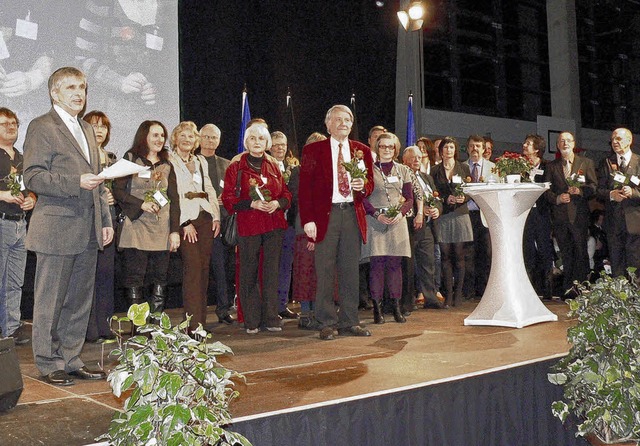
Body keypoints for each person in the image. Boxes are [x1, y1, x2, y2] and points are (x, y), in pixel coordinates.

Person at [23, 67, 113, 386]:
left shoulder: (87, 128)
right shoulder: (41, 126)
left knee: (78, 300)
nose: (79, 93)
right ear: (54, 93)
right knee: (51, 300)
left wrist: (103, 221)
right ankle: (49, 363)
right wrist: (75, 182)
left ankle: (71, 358)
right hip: (56, 229)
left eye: (83, 88)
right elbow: (32, 176)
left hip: (87, 228)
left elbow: (98, 181)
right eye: (72, 87)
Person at [299, 104, 374, 340]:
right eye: (338, 120)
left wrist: (364, 187)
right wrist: (308, 219)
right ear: (328, 124)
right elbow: (304, 189)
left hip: (352, 214)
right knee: (325, 270)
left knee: (350, 270)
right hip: (325, 217)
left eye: (347, 120)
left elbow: (370, 183)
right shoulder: (313, 151)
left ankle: (350, 320)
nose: (343, 124)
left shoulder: (362, 150)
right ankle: (326, 321)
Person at [222, 123, 291, 334]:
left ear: (267, 143)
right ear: (246, 142)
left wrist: (277, 204)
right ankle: (251, 320)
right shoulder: (236, 167)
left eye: (261, 139)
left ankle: (271, 318)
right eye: (252, 138)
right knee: (248, 273)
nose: (257, 143)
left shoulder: (273, 165)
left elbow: (286, 195)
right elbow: (228, 199)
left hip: (273, 225)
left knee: (271, 273)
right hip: (248, 224)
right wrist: (251, 204)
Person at [113, 120, 179, 317]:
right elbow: (117, 190)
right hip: (136, 225)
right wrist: (140, 204)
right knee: (135, 277)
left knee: (160, 277)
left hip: (161, 228)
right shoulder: (131, 159)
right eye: (155, 135)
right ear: (144, 136)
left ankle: (157, 323)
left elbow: (174, 199)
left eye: (162, 135)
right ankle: (138, 327)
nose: (159, 139)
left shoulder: (167, 164)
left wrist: (175, 230)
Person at [169, 121, 220, 335]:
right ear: (175, 138)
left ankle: (201, 325)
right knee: (192, 272)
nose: (187, 140)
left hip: (205, 218)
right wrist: (183, 223)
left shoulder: (200, 161)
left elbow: (208, 187)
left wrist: (216, 216)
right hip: (186, 220)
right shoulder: (169, 160)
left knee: (204, 272)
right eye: (183, 135)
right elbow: (171, 195)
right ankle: (191, 326)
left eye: (191, 136)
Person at [360, 133, 414, 324]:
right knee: (377, 265)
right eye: (383, 146)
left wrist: (401, 214)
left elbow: (409, 198)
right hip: (375, 221)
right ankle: (377, 308)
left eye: (390, 147)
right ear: (377, 148)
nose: (386, 150)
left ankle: (397, 307)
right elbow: (362, 198)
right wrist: (377, 215)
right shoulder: (368, 170)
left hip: (398, 221)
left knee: (394, 265)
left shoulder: (403, 170)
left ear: (396, 149)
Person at [544, 131, 596, 297]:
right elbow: (546, 192)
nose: (565, 143)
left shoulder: (586, 163)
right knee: (566, 255)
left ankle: (581, 289)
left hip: (579, 217)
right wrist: (557, 198)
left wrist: (580, 191)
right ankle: (568, 291)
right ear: (557, 145)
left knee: (581, 253)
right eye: (561, 141)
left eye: (568, 140)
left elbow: (594, 188)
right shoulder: (551, 167)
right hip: (560, 218)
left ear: (573, 143)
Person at [0, 108, 36, 345]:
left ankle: (11, 328)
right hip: (1, 222)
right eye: (5, 123)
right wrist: (2, 194)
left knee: (15, 280)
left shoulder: (22, 158)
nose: (11, 127)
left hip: (20, 225)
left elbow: (30, 188)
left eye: (14, 123)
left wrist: (33, 197)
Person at [83, 110, 117, 342]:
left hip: (109, 219)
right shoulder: (83, 156)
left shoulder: (111, 157)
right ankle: (88, 329)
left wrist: (113, 196)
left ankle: (105, 326)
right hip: (88, 220)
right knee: (88, 276)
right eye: (94, 126)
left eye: (103, 126)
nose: (99, 130)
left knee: (105, 273)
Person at [197, 123, 235, 325]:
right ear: (199, 138)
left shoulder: (227, 164)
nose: (210, 141)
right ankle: (197, 312)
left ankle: (223, 308)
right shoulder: (192, 162)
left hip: (223, 223)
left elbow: (235, 192)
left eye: (214, 138)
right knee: (200, 271)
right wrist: (210, 198)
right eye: (207, 137)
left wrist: (226, 198)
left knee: (223, 270)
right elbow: (188, 192)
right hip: (200, 223)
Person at [291, 132, 328, 329]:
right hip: (306, 228)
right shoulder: (299, 171)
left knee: (322, 273)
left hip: (328, 229)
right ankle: (305, 312)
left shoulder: (331, 172)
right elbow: (300, 200)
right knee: (305, 272)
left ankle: (320, 312)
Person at [431, 137, 473, 308]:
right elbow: (432, 192)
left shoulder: (464, 167)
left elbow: (471, 190)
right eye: (445, 147)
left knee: (460, 256)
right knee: (445, 256)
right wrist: (443, 198)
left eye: (451, 147)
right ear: (440, 151)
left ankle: (458, 294)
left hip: (461, 215)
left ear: (455, 150)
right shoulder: (434, 170)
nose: (448, 150)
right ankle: (448, 294)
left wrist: (464, 197)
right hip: (444, 216)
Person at [402, 146, 443, 310]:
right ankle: (408, 301)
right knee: (408, 265)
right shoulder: (402, 176)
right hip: (409, 226)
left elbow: (437, 198)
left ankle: (431, 298)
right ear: (404, 160)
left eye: (419, 157)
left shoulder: (427, 177)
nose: (417, 160)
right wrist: (421, 209)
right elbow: (402, 198)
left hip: (426, 226)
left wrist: (436, 209)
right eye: (413, 157)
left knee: (429, 263)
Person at [596, 128, 640, 277]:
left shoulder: (639, 161)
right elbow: (598, 190)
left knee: (635, 264)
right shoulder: (606, 162)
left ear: (629, 141)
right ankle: (619, 297)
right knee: (617, 264)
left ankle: (636, 297)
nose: (614, 142)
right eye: (613, 139)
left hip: (635, 223)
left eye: (618, 139)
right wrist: (611, 194)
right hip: (613, 223)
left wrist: (632, 193)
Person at [270, 131, 299, 319]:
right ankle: (270, 305)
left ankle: (281, 305)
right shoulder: (265, 166)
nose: (280, 148)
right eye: (276, 144)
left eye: (283, 144)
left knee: (286, 265)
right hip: (271, 224)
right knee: (271, 265)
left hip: (289, 223)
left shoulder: (294, 167)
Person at [521, 134, 553, 300]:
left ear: (537, 149)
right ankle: (530, 289)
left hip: (541, 213)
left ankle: (548, 288)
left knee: (544, 248)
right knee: (527, 249)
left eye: (528, 144)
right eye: (525, 143)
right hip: (525, 213)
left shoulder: (548, 166)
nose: (524, 146)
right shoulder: (519, 165)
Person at [463, 135, 494, 300]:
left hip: (485, 216)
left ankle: (484, 290)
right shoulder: (460, 168)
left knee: (486, 253)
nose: (475, 149)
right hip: (466, 214)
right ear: (467, 149)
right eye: (471, 146)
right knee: (467, 253)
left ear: (484, 149)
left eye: (478, 146)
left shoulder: (493, 168)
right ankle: (468, 290)